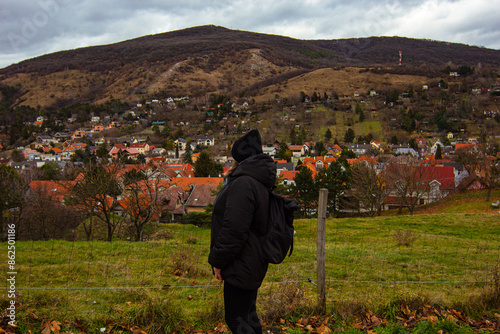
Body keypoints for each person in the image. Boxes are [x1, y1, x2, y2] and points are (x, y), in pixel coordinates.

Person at [208, 129, 276, 333]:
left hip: (240, 262)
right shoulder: (258, 182)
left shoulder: (243, 184)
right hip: (252, 260)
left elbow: (234, 230)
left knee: (237, 321)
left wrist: (218, 262)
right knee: (248, 317)